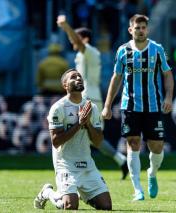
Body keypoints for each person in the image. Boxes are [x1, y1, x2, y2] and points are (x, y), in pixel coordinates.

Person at [102, 14, 174, 201]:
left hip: (153, 106)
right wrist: (107, 105)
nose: (141, 30)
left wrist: (168, 97)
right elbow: (116, 78)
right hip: (130, 106)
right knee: (133, 143)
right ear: (130, 30)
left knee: (156, 147)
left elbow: (167, 74)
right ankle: (137, 190)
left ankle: (152, 173)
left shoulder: (157, 50)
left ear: (147, 30)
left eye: (144, 27)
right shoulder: (122, 51)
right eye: (137, 27)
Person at [57, 15, 128, 180]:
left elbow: (79, 43)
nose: (72, 41)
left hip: (88, 98)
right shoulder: (84, 54)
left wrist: (66, 26)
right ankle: (120, 160)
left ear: (85, 38)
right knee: (91, 138)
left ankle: (76, 169)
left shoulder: (89, 50)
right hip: (89, 97)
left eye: (75, 37)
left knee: (85, 135)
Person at [34, 68, 112, 210]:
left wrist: (87, 123)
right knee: (70, 206)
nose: (78, 79)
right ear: (65, 85)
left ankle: (81, 193)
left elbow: (98, 141)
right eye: (73, 77)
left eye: (79, 76)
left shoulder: (92, 107)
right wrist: (79, 123)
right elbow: (56, 141)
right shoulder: (58, 108)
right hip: (66, 165)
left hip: (87, 165)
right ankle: (48, 193)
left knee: (106, 206)